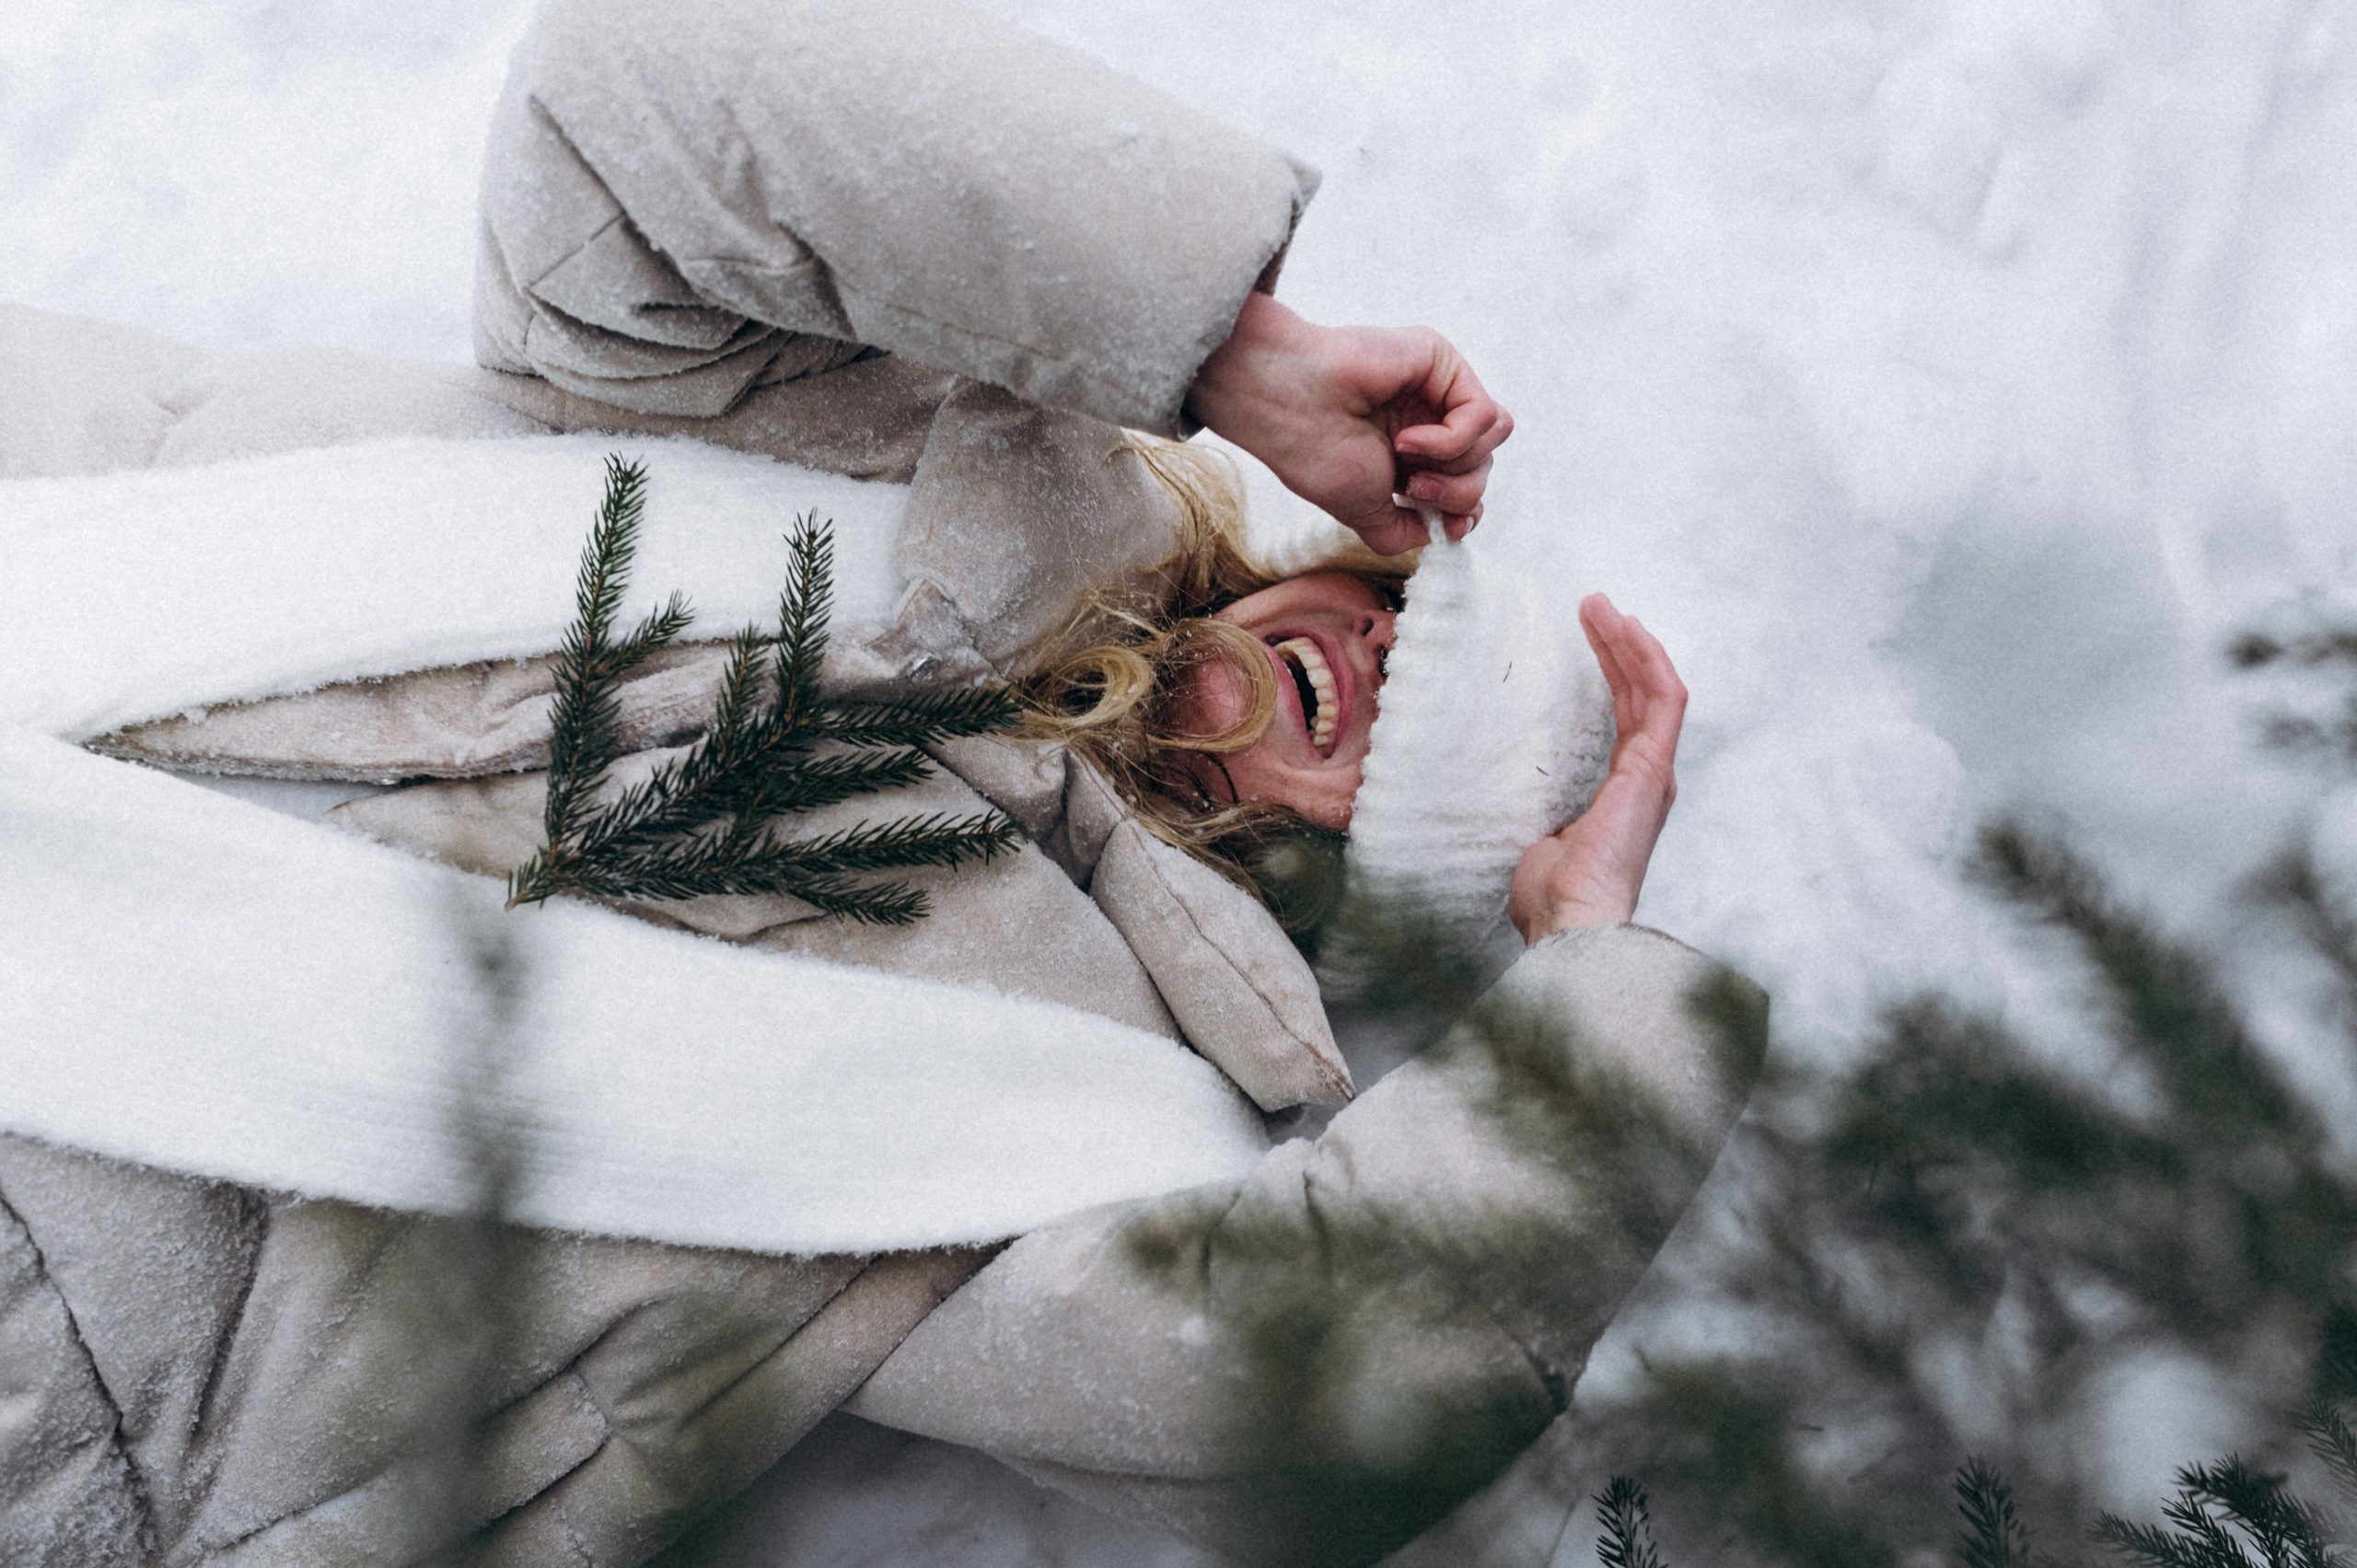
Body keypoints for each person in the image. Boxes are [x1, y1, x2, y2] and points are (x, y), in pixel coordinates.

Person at [0, 2, 1755, 1563]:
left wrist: (1591, 978)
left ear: (1364, 870)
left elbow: (1321, 1382)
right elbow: (638, 85)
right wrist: (1233, 355)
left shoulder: (1089, 1109)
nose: (1374, 663)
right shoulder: (878, 442)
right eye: (1394, 615)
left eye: (1414, 737)